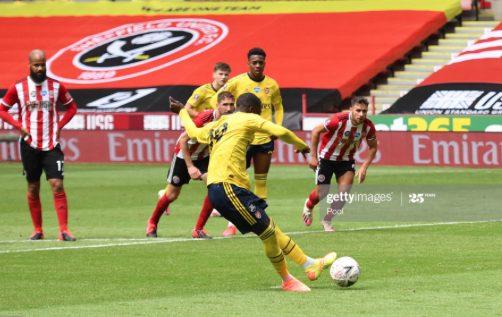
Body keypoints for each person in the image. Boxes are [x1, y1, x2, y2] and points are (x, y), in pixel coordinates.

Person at [170, 92, 337, 292]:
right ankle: (288, 280)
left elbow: (194, 133)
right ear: (251, 110)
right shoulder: (248, 117)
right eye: (259, 113)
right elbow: (281, 131)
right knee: (267, 233)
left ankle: (310, 264)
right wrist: (302, 146)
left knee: (271, 227)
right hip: (227, 188)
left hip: (225, 187)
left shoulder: (219, 123)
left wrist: (181, 111)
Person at [0, 49, 77, 241]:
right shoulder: (18, 87)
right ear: (29, 65)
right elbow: (2, 109)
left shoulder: (56, 86)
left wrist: (59, 126)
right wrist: (19, 126)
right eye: (36, 65)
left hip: (51, 144)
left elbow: (72, 108)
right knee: (33, 187)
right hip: (29, 144)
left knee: (57, 184)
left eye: (42, 64)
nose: (40, 68)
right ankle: (38, 230)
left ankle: (64, 230)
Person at [210, 48, 283, 236]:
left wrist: (278, 126)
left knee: (261, 179)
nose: (258, 65)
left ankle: (261, 219)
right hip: (243, 137)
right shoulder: (236, 82)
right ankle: (232, 224)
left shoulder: (272, 84)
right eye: (254, 62)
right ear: (248, 64)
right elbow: (215, 99)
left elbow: (278, 106)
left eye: (261, 62)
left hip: (265, 137)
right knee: (236, 179)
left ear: (265, 63)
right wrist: (225, 116)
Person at [146, 91, 235, 239]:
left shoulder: (232, 121)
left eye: (231, 104)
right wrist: (190, 166)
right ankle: (152, 222)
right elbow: (183, 140)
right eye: (225, 105)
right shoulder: (204, 117)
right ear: (217, 105)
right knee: (172, 195)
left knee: (215, 191)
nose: (228, 108)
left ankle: (198, 229)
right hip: (183, 155)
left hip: (205, 157)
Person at [158, 62, 231, 217]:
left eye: (226, 75)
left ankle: (213, 213)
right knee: (174, 190)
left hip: (210, 137)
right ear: (214, 74)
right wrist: (205, 118)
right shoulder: (203, 91)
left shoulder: (228, 93)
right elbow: (187, 108)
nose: (223, 77)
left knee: (215, 181)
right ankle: (164, 197)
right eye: (221, 74)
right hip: (197, 131)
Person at [302, 97, 378, 231]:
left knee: (344, 195)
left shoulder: (368, 126)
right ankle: (308, 205)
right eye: (358, 110)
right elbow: (316, 131)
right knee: (322, 194)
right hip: (326, 159)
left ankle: (327, 220)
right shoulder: (338, 120)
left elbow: (373, 147)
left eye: (364, 111)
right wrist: (313, 156)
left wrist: (364, 166)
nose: (361, 114)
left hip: (346, 161)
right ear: (351, 110)